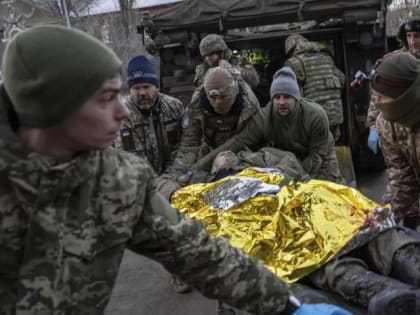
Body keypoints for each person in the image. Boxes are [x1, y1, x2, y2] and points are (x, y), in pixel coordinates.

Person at [0, 25, 350, 315]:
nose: (123, 113)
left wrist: (286, 303)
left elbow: (201, 255)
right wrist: (186, 173)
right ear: (55, 108)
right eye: (107, 99)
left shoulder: (117, 182)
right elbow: (191, 143)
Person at [192, 66, 344, 184]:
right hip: (290, 158)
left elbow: (317, 155)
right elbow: (238, 141)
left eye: (287, 97)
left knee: (327, 192)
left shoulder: (315, 115)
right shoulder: (265, 116)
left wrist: (301, 177)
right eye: (277, 97)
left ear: (296, 98)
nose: (281, 102)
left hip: (320, 155)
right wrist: (196, 168)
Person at [157, 66, 261, 200]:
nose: (218, 103)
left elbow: (256, 141)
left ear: (234, 91)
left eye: (224, 97)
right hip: (208, 153)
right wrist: (178, 177)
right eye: (213, 97)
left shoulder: (250, 105)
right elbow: (189, 146)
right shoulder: (196, 106)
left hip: (242, 151)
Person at [371, 52, 420, 231]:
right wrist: (379, 220)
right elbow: (403, 180)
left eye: (382, 97)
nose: (377, 104)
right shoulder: (387, 125)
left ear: (404, 96)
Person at [114, 55, 184, 175]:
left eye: (146, 87)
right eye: (136, 88)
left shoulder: (175, 107)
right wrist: (158, 185)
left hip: (176, 174)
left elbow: (185, 146)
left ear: (156, 87)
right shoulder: (123, 116)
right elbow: (132, 159)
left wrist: (171, 176)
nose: (142, 93)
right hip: (142, 182)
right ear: (130, 90)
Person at [367, 17, 420, 154]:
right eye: (409, 36)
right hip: (399, 126)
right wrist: (373, 125)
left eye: (417, 36)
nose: (413, 41)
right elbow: (379, 93)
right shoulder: (394, 60)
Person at [284, 34, 345, 141]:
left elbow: (287, 93)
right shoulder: (326, 57)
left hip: (314, 116)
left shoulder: (292, 63)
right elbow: (342, 79)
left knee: (316, 148)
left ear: (291, 48)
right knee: (331, 144)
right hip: (335, 112)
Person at [195, 33, 260, 89]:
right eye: (205, 56)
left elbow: (254, 81)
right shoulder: (202, 68)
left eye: (211, 54)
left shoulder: (240, 61)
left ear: (221, 53)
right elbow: (198, 86)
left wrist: (231, 69)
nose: (208, 58)